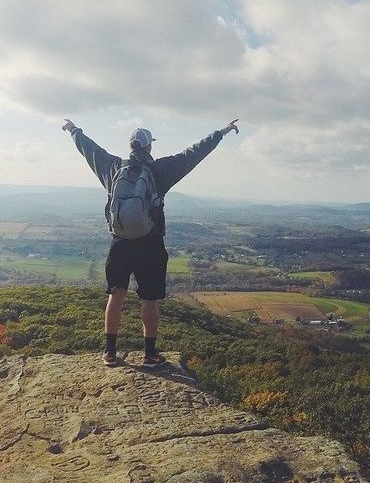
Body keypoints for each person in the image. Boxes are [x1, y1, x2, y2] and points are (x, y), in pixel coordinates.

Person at [62, 118, 240, 367]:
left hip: (120, 243)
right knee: (149, 300)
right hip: (150, 244)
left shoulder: (112, 167)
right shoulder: (159, 171)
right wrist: (220, 133)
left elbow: (88, 148)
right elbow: (193, 154)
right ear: (149, 147)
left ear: (131, 146)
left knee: (116, 295)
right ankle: (149, 354)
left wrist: (73, 130)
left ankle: (110, 352)